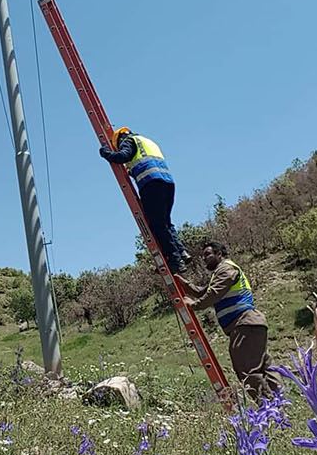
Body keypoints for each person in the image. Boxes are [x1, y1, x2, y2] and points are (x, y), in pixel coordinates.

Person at [176, 241, 274, 400]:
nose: (204, 258)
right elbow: (203, 292)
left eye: (208, 254)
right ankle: (279, 403)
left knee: (247, 369)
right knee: (264, 368)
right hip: (250, 324)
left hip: (244, 323)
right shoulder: (221, 272)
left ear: (219, 254)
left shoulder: (226, 269)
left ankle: (268, 407)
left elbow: (214, 294)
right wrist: (184, 284)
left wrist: (193, 305)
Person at [99, 127, 187, 274]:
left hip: (151, 183)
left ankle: (175, 261)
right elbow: (145, 161)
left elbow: (123, 156)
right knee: (165, 222)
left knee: (157, 224)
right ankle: (182, 252)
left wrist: (106, 153)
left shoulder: (128, 141)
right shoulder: (147, 141)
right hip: (167, 182)